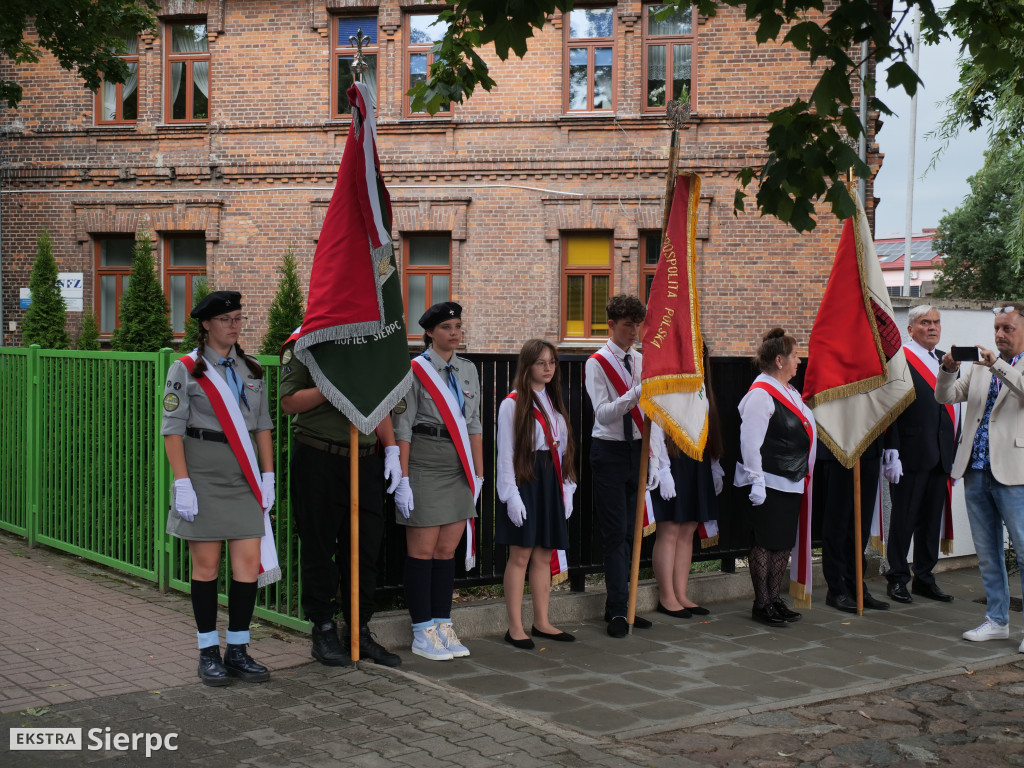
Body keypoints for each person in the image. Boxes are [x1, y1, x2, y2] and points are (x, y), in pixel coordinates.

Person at [161, 290, 275, 686]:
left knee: (246, 568)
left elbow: (263, 426)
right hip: (203, 477)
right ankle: (209, 652)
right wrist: (182, 483)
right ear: (206, 324)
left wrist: (268, 475)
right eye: (226, 319)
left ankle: (239, 650)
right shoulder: (186, 369)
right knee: (207, 567)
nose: (234, 326)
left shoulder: (252, 368)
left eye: (239, 319)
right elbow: (172, 431)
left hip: (243, 478)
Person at [279, 337, 403, 668]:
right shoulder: (303, 344)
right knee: (319, 549)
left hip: (364, 460)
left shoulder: (365, 344)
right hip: (319, 456)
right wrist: (334, 387)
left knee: (364, 550)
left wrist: (391, 448)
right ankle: (322, 630)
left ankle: (359, 631)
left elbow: (379, 403)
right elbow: (289, 401)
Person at [393, 301, 483, 661]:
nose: (455, 333)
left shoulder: (468, 370)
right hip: (425, 464)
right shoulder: (415, 371)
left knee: (447, 551)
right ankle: (421, 630)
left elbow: (474, 424)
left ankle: (443, 623)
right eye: (448, 327)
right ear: (430, 333)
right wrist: (402, 478)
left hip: (458, 465)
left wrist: (478, 473)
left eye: (459, 326)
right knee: (423, 551)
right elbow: (403, 427)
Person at [936, 304, 1024, 648]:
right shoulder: (980, 367)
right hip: (975, 469)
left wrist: (997, 365)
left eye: (1008, 329)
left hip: (1015, 472)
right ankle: (997, 620)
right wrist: (947, 370)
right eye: (997, 328)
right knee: (988, 552)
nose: (1000, 334)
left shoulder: (996, 365)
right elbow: (944, 396)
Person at [496, 340, 578, 650]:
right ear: (527, 365)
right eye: (541, 362)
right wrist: (510, 495)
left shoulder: (554, 402)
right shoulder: (512, 404)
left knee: (544, 554)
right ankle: (515, 627)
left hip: (550, 481)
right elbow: (505, 454)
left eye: (552, 362)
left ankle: (541, 621)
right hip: (525, 480)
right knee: (521, 555)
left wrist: (568, 489)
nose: (547, 368)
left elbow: (564, 449)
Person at [733, 328, 816, 627]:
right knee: (764, 544)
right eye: (795, 356)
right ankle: (761, 603)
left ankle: (774, 599)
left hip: (790, 480)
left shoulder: (789, 392)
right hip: (767, 481)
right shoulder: (760, 394)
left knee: (781, 544)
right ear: (779, 360)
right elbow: (750, 442)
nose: (800, 360)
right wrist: (755, 480)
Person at [584, 294, 654, 638]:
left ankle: (628, 606)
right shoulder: (597, 362)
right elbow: (603, 413)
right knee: (615, 536)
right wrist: (636, 393)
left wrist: (655, 457)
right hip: (609, 451)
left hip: (638, 450)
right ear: (611, 325)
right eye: (628, 325)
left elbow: (649, 415)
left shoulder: (641, 360)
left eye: (638, 324)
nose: (635, 331)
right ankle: (615, 611)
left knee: (631, 532)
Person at [883, 306, 957, 604]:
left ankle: (924, 577)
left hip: (940, 453)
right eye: (925, 323)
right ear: (911, 329)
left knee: (930, 522)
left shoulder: (945, 360)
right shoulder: (899, 359)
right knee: (905, 519)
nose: (932, 327)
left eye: (936, 322)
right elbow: (891, 408)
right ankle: (898, 577)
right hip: (911, 453)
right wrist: (892, 449)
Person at [649, 344, 724, 618]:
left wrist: (714, 466)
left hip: (696, 460)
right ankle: (667, 596)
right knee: (669, 530)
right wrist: (663, 470)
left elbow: (708, 425)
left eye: (701, 356)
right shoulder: (669, 381)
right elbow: (656, 423)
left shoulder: (701, 385)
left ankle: (681, 593)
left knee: (688, 528)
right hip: (673, 459)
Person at [816, 436, 890, 613]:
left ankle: (855, 584)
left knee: (861, 526)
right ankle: (836, 589)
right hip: (840, 446)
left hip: (869, 447)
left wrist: (891, 446)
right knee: (837, 523)